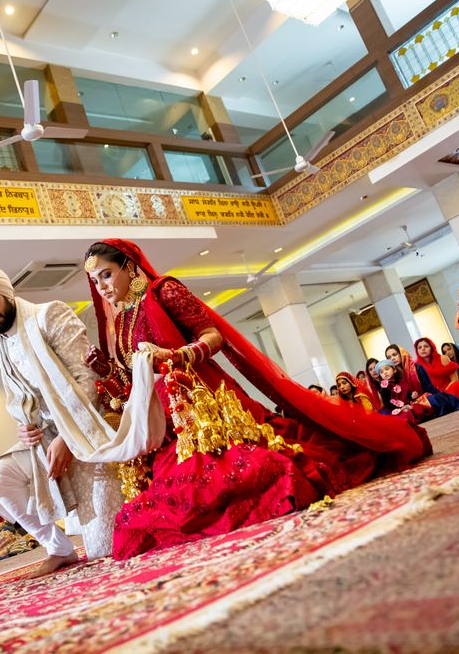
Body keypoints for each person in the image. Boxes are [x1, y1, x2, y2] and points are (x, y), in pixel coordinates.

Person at [83, 239, 431, 559]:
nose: (102, 287)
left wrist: (178, 357)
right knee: (139, 517)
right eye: (96, 282)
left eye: (107, 275)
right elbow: (134, 382)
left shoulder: (165, 291)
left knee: (256, 475)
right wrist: (108, 375)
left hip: (206, 404)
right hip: (167, 419)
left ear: (129, 266)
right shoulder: (123, 318)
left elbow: (212, 335)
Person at [0, 266, 131, 578]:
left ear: (7, 293)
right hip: (49, 439)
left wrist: (67, 437)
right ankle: (59, 548)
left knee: (107, 546)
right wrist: (26, 428)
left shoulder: (49, 315)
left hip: (90, 431)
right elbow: (26, 403)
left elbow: (88, 381)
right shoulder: (2, 352)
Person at [384, 344, 459, 414]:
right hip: (408, 405)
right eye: (389, 357)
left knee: (435, 399)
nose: (392, 358)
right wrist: (410, 398)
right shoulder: (392, 376)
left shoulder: (416, 367)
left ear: (402, 354)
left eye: (395, 355)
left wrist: (420, 397)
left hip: (424, 397)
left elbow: (428, 388)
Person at [413, 337, 459, 404]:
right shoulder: (416, 366)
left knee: (456, 385)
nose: (423, 349)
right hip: (434, 395)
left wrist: (446, 392)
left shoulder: (443, 358)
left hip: (449, 390)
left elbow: (455, 380)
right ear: (417, 351)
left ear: (431, 348)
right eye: (420, 347)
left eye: (426, 346)